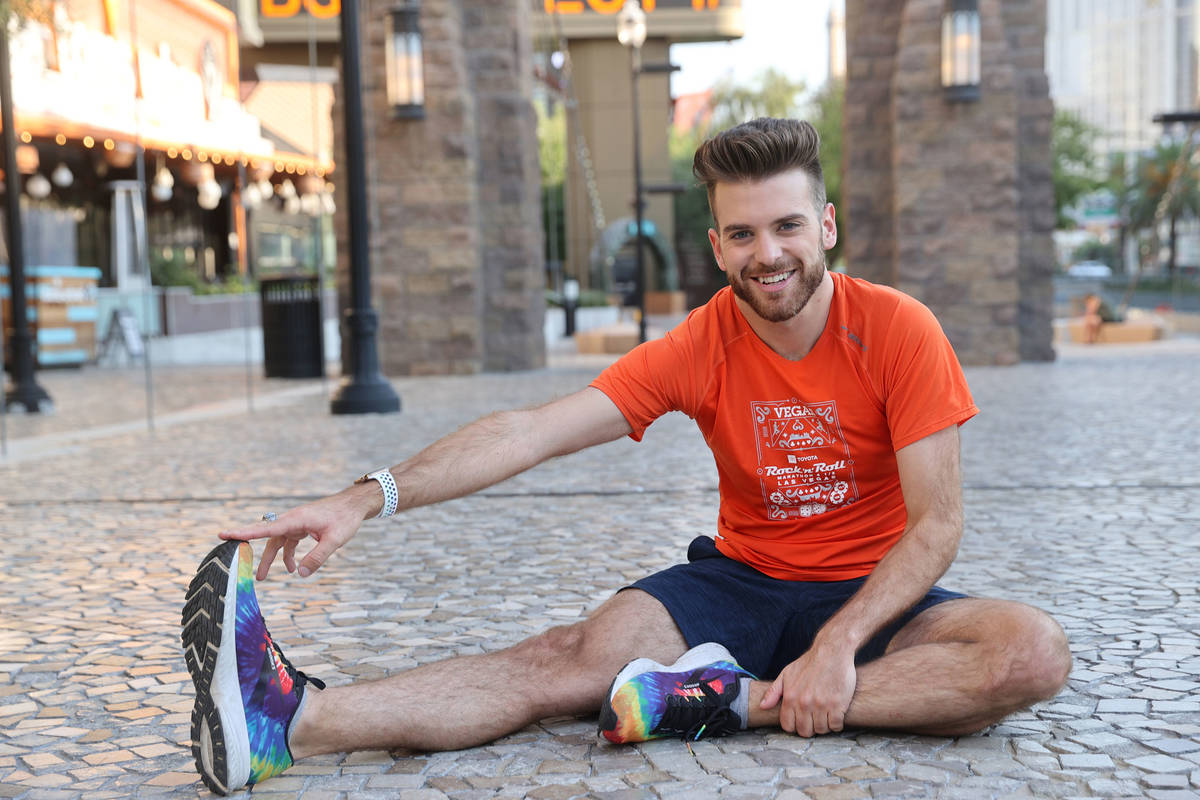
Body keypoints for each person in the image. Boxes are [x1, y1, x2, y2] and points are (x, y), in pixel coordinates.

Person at [180, 118, 1072, 796]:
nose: (771, 255)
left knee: (1029, 655)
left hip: (873, 590)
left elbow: (936, 527)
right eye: (745, 235)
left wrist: (839, 647)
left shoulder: (899, 330)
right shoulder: (702, 342)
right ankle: (287, 719)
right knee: (566, 663)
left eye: (788, 226)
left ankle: (727, 702)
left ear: (827, 225)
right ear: (718, 244)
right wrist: (361, 499)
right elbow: (531, 430)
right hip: (741, 586)